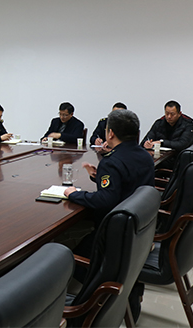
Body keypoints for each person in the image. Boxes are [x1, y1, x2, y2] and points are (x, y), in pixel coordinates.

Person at [64, 109, 154, 322]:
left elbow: (106, 201)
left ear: (110, 133)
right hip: (138, 230)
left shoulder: (111, 161)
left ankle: (94, 298)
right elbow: (129, 185)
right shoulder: (145, 155)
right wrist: (100, 177)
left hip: (113, 237)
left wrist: (74, 194)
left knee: (67, 254)